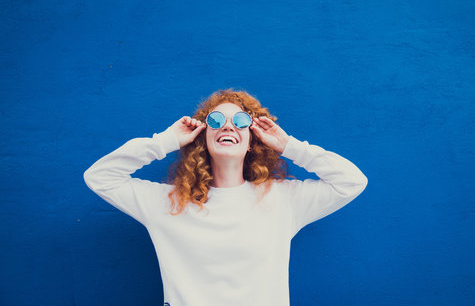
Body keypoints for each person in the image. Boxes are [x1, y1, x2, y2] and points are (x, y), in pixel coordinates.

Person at [83, 89, 368, 306]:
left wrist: (289, 146)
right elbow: (100, 177)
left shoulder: (283, 200)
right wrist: (165, 141)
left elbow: (351, 181)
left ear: (252, 139)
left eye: (241, 121)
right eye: (216, 120)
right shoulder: (166, 204)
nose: (228, 126)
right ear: (203, 135)